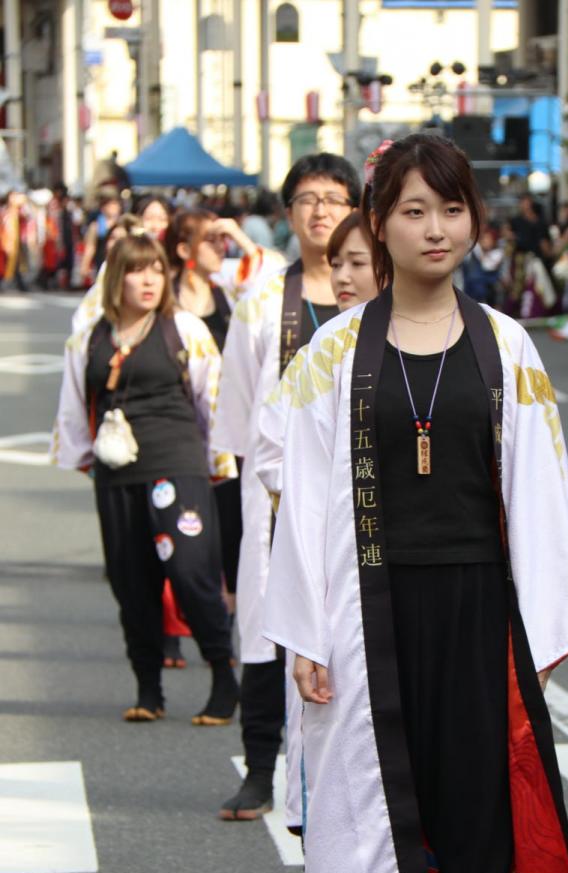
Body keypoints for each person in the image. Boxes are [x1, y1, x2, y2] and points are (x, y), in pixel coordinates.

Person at [263, 133, 568, 873]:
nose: (434, 228)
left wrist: (537, 634)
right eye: (412, 210)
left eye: (450, 209)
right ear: (379, 224)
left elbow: (542, 496)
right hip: (360, 612)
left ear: (473, 221)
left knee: (475, 822)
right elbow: (300, 499)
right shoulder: (334, 352)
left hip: (476, 613)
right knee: (350, 821)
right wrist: (303, 633)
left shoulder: (506, 345)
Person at [255, 208, 436, 873]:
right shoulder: (321, 355)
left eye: (360, 262)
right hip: (338, 579)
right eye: (338, 264)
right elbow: (273, 453)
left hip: (419, 580)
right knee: (334, 750)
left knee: (409, 744)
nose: (347, 276)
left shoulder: (441, 350)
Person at [211, 153, 359, 825]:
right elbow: (238, 419)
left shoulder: (381, 297)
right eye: (306, 199)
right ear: (288, 213)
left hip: (357, 504)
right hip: (276, 502)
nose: (320, 210)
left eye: (334, 198)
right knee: (269, 633)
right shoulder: (266, 301)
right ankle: (259, 768)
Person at [51, 233, 240, 723]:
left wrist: (219, 462)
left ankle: (223, 677)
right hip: (116, 475)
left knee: (191, 573)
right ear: (117, 278)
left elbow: (212, 397)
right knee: (131, 582)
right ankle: (148, 689)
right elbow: (74, 404)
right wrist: (85, 458)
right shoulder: (90, 336)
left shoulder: (184, 328)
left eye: (156, 269)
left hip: (178, 464)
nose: (150, 279)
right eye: (137, 270)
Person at [164, 208, 281, 666]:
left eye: (222, 240)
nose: (220, 247)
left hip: (228, 434)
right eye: (209, 240)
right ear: (183, 249)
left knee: (231, 534)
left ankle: (226, 630)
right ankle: (171, 632)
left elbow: (273, 274)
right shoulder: (166, 295)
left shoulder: (230, 288)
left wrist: (238, 234)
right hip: (180, 434)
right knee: (182, 537)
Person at [80, 188, 122, 281]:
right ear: (103, 207)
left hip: (119, 262)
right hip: (101, 261)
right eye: (109, 204)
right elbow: (90, 246)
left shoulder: (122, 224)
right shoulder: (96, 226)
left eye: (115, 204)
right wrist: (85, 264)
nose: (113, 207)